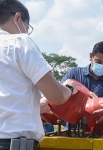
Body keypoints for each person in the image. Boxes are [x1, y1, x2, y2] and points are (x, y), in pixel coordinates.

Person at [0, 0, 78, 149]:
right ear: (17, 18)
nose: (25, 32)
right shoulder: (19, 42)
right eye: (26, 27)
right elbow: (57, 96)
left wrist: (35, 106)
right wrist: (68, 88)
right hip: (13, 144)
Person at [61, 41, 103, 131]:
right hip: (71, 130)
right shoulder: (73, 74)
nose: (102, 65)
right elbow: (59, 96)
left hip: (100, 133)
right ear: (91, 56)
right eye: (98, 61)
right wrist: (83, 94)